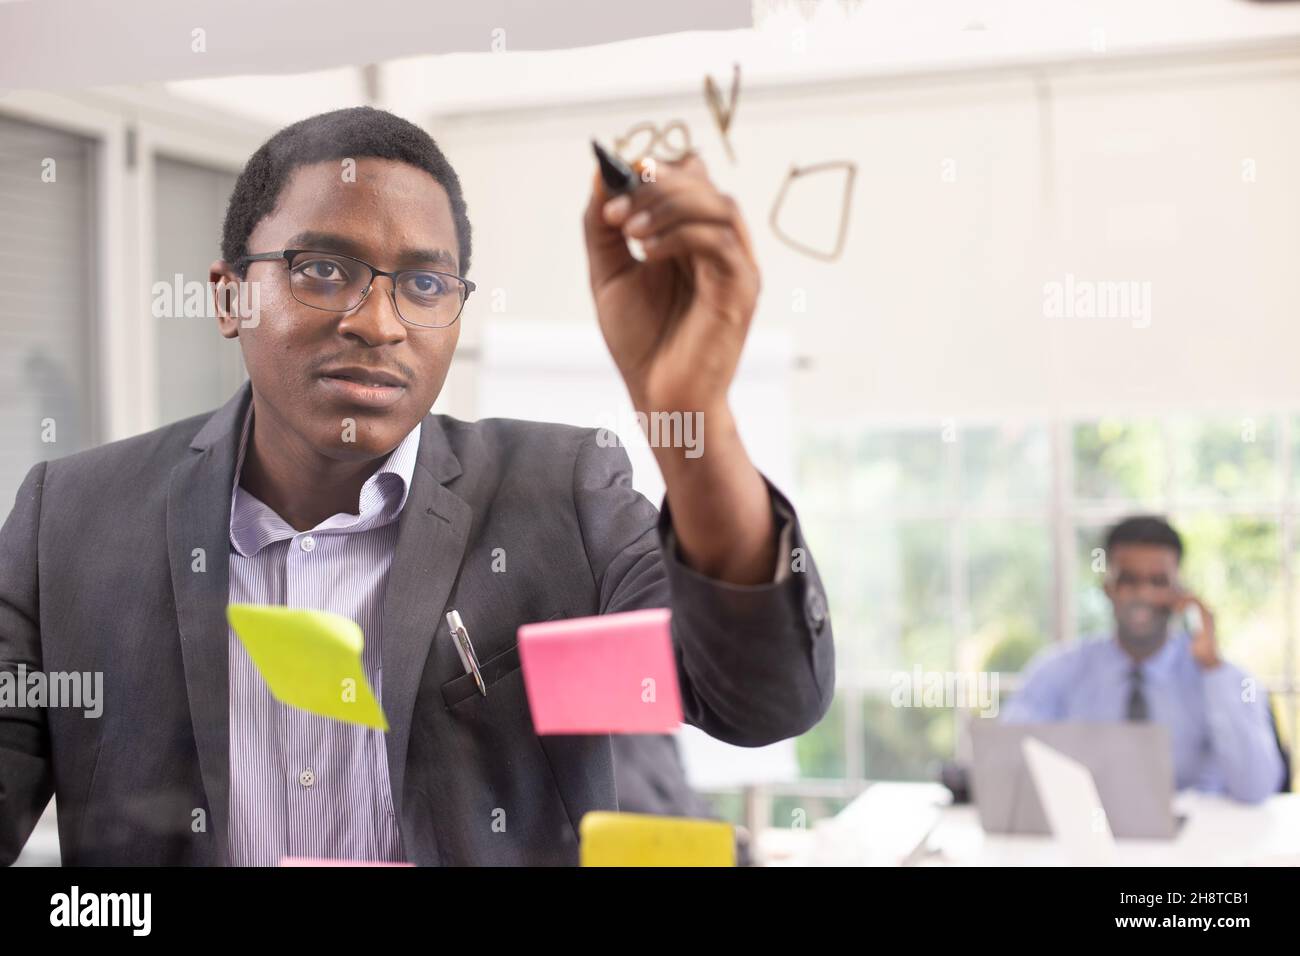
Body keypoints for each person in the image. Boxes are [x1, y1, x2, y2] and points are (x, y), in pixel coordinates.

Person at [0, 107, 835, 865]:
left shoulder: (560, 495)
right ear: (229, 297)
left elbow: (762, 699)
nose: (379, 321)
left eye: (426, 284)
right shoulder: (70, 521)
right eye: (323, 269)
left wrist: (689, 413)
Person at [1002, 515, 1284, 803]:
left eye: (1158, 581)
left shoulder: (1220, 677)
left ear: (1179, 591)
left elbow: (1256, 789)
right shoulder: (1058, 670)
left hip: (1197, 841)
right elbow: (1004, 764)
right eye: (1129, 580)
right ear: (1108, 587)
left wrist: (1212, 668)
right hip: (1088, 832)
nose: (1143, 594)